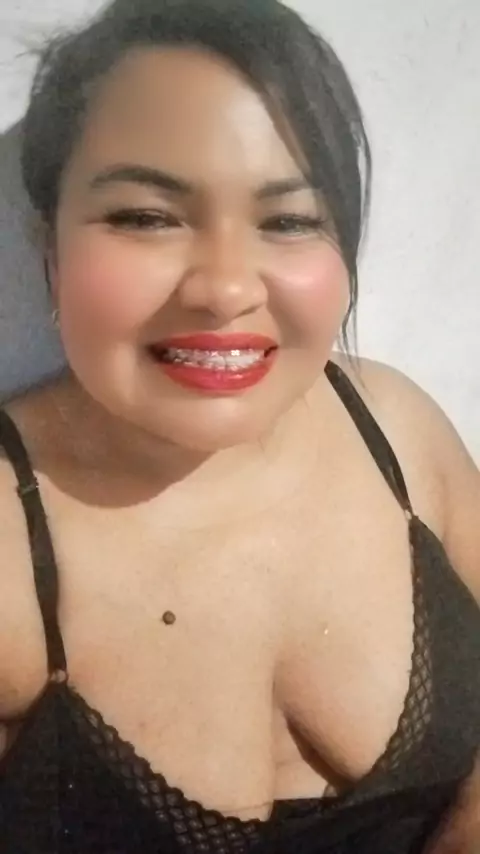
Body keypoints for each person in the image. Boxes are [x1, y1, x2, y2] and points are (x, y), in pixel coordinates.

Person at [0, 0, 478, 851]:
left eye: (289, 220)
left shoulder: (398, 431)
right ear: (49, 242)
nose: (224, 290)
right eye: (146, 216)